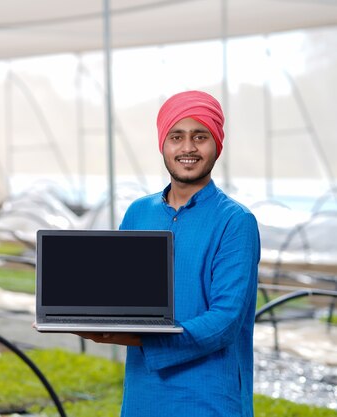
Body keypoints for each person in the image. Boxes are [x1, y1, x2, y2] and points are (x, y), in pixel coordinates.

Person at [78, 90, 261, 417]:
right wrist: (83, 312)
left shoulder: (235, 221)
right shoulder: (139, 213)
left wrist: (137, 340)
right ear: (163, 143)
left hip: (209, 398)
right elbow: (120, 292)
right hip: (143, 396)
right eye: (177, 136)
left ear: (217, 144)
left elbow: (225, 321)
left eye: (200, 136)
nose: (188, 147)